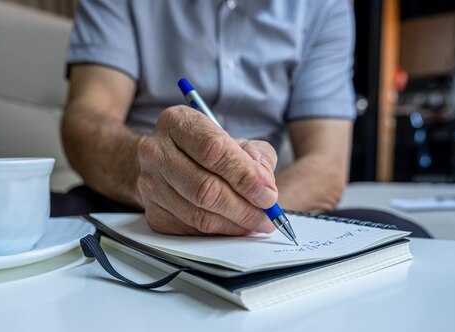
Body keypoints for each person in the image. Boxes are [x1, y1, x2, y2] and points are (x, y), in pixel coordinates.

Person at [61, 1, 367, 236]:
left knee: (393, 236)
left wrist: (234, 211)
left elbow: (326, 165)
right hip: (128, 200)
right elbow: (85, 121)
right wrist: (153, 173)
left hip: (271, 209)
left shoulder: (324, 7)